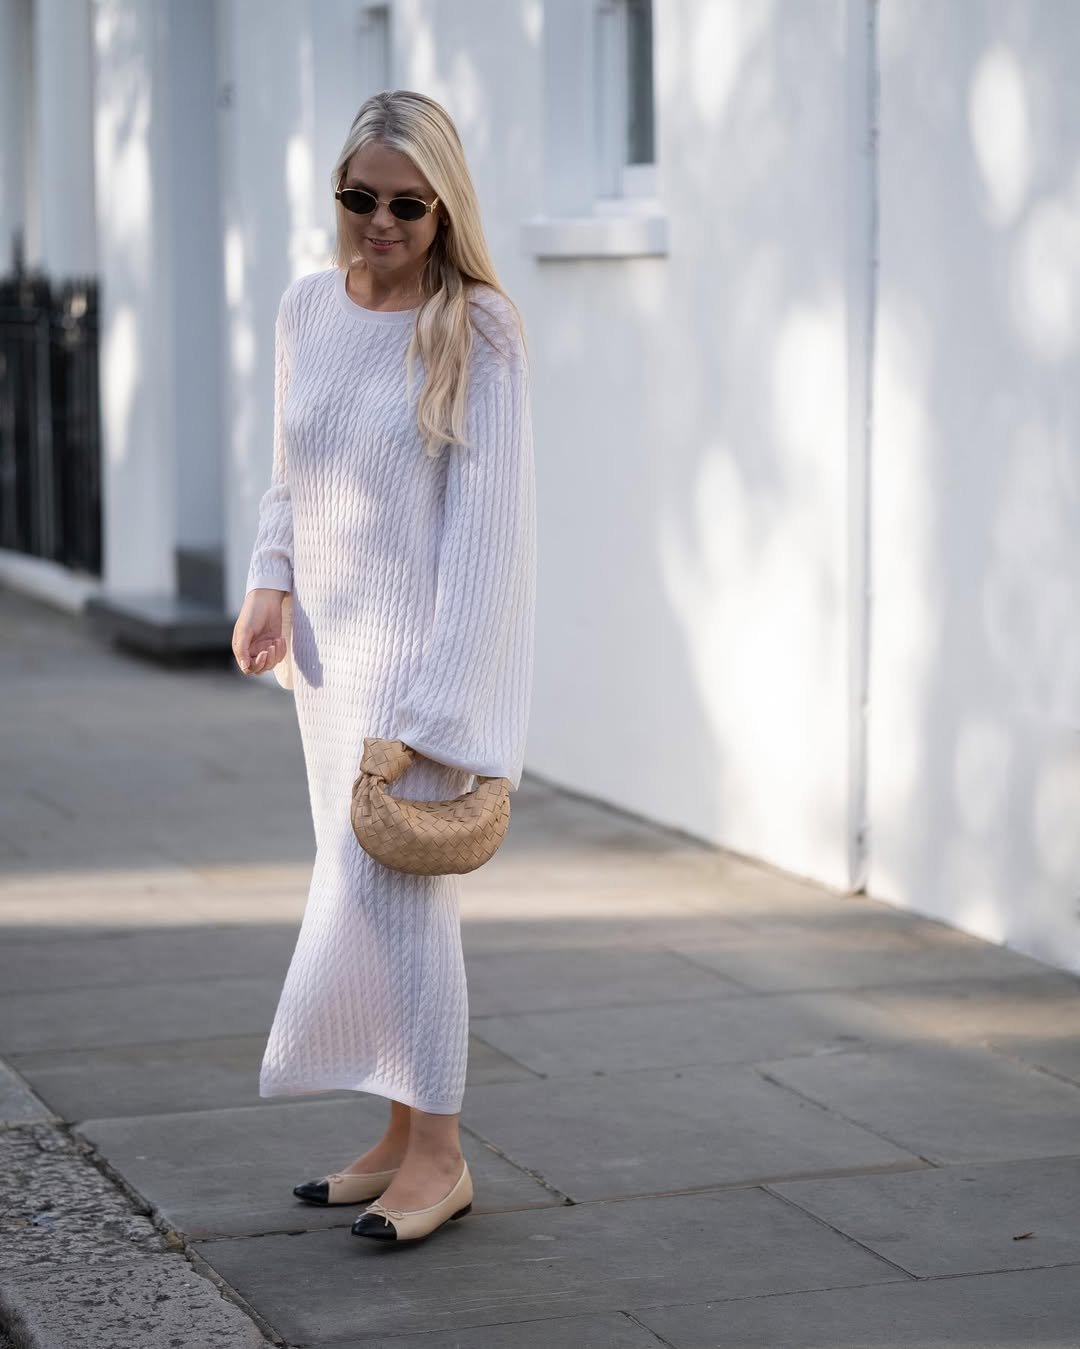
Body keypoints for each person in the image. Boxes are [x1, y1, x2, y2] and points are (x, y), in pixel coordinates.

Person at [231, 89, 536, 1245]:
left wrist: (438, 712)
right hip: (327, 659)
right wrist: (270, 578)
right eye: (361, 197)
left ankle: (442, 1155)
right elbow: (290, 469)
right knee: (360, 892)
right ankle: (401, 1133)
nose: (382, 221)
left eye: (408, 203)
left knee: (408, 906)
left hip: (412, 673)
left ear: (445, 206)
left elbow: (489, 538)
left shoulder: (478, 327)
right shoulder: (308, 307)